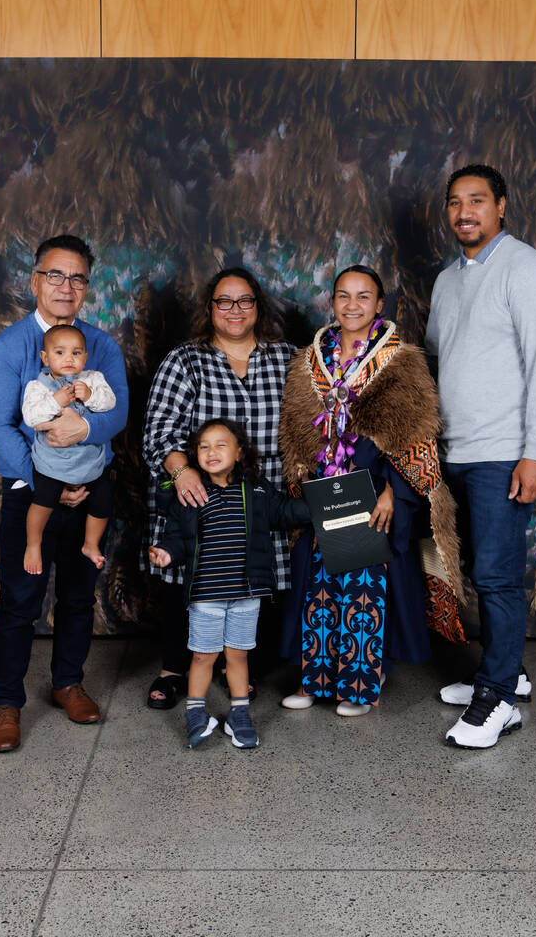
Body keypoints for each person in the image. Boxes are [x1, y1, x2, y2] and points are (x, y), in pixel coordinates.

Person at [279, 265, 465, 718]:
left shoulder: (402, 360)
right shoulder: (309, 362)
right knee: (317, 588)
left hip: (375, 493)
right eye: (343, 295)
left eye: (364, 296)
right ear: (332, 301)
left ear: (379, 304)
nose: (352, 305)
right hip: (324, 492)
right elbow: (294, 431)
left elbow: (417, 434)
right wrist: (307, 491)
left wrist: (392, 493)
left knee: (364, 587)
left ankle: (360, 684)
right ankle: (314, 678)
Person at [426, 164, 536, 749]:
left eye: (477, 201)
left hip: (502, 454)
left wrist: (534, 454)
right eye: (456, 203)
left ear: (501, 206)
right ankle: (507, 670)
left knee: (497, 577)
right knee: (474, 572)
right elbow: (436, 362)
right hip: (454, 452)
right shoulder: (447, 279)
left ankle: (499, 698)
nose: (465, 213)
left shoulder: (527, 269)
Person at [0, 235, 128, 752]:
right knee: (20, 600)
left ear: (88, 285)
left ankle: (67, 681)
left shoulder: (101, 345)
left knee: (78, 596)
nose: (67, 286)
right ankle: (6, 702)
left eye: (78, 277)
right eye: (56, 275)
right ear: (36, 280)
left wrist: (85, 435)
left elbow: (116, 413)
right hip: (32, 490)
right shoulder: (10, 346)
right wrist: (49, 481)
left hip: (90, 489)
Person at [142, 268, 295, 710]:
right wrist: (181, 470)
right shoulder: (186, 360)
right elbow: (158, 431)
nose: (234, 310)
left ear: (258, 307)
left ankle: (236, 668)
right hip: (199, 495)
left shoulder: (286, 358)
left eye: (244, 301)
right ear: (210, 309)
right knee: (186, 582)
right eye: (224, 302)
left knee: (252, 583)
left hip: (259, 501)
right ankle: (174, 668)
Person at [149, 418, 310, 749]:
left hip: (245, 596)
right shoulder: (191, 494)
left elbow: (290, 512)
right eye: (204, 446)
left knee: (237, 657)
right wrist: (166, 554)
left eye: (221, 445)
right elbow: (177, 538)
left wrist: (333, 500)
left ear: (239, 452)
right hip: (206, 597)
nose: (211, 451)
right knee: (202, 657)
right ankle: (196, 713)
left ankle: (239, 715)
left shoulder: (259, 490)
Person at [21, 324, 117, 575]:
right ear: (45, 357)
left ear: (85, 357)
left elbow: (110, 403)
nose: (69, 359)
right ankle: (33, 544)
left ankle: (90, 544)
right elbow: (31, 417)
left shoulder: (93, 379)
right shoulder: (38, 387)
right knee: (44, 499)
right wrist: (56, 401)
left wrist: (91, 395)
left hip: (89, 461)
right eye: (60, 352)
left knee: (104, 498)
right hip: (52, 462)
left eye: (76, 353)